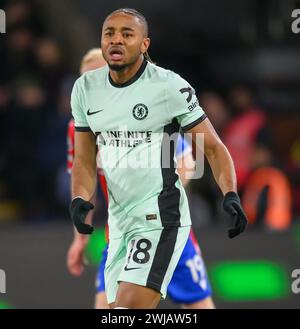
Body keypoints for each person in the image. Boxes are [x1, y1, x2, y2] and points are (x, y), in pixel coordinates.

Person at [70, 8, 247, 309]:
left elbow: (212, 149)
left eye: (127, 34)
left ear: (144, 44)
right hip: (120, 225)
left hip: (161, 220)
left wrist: (230, 193)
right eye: (109, 33)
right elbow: (84, 158)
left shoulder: (168, 87)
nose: (116, 40)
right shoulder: (85, 90)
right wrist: (79, 199)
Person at [67, 48, 215, 309]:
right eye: (84, 80)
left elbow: (186, 161)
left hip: (164, 227)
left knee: (198, 305)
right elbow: (84, 179)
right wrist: (80, 237)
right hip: (121, 233)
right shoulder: (78, 128)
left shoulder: (145, 112)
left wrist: (153, 198)